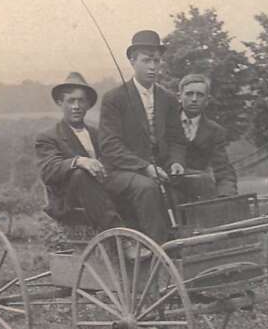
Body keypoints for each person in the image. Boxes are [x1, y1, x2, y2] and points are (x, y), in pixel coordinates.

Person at [34, 72, 168, 246]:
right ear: (60, 103)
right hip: (71, 199)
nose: (76, 106)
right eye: (71, 101)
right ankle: (121, 240)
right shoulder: (48, 136)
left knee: (145, 186)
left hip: (103, 186)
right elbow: (48, 170)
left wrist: (144, 167)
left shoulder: (97, 133)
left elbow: (114, 158)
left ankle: (158, 245)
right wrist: (79, 161)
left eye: (81, 101)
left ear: (88, 104)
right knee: (81, 174)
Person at [99, 29, 187, 241]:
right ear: (132, 60)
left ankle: (203, 243)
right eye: (146, 60)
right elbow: (110, 146)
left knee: (201, 181)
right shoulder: (114, 99)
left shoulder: (168, 99)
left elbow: (177, 140)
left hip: (162, 167)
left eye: (157, 61)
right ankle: (159, 248)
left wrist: (177, 162)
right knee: (148, 188)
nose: (153, 67)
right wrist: (145, 167)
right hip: (123, 171)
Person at [175, 73, 237, 201]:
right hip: (169, 187)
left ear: (207, 100)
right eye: (189, 94)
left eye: (200, 95)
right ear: (179, 97)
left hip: (199, 192)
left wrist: (226, 195)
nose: (194, 99)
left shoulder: (215, 131)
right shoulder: (166, 124)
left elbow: (223, 169)